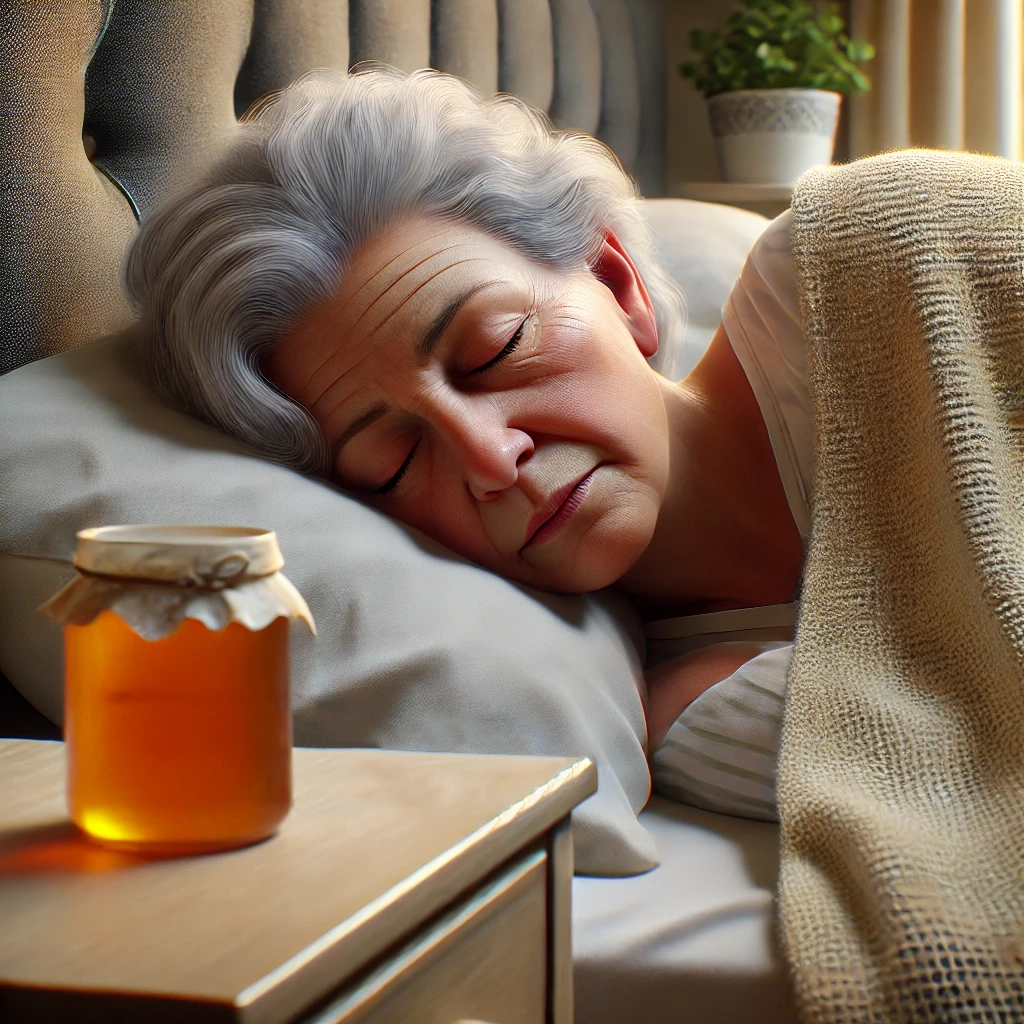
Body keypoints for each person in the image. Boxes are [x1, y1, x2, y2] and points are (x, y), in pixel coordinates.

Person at [126, 67, 809, 821]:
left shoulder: (849, 271)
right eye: (395, 461)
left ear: (618, 286)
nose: (490, 461)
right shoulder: (697, 714)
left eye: (495, 348)